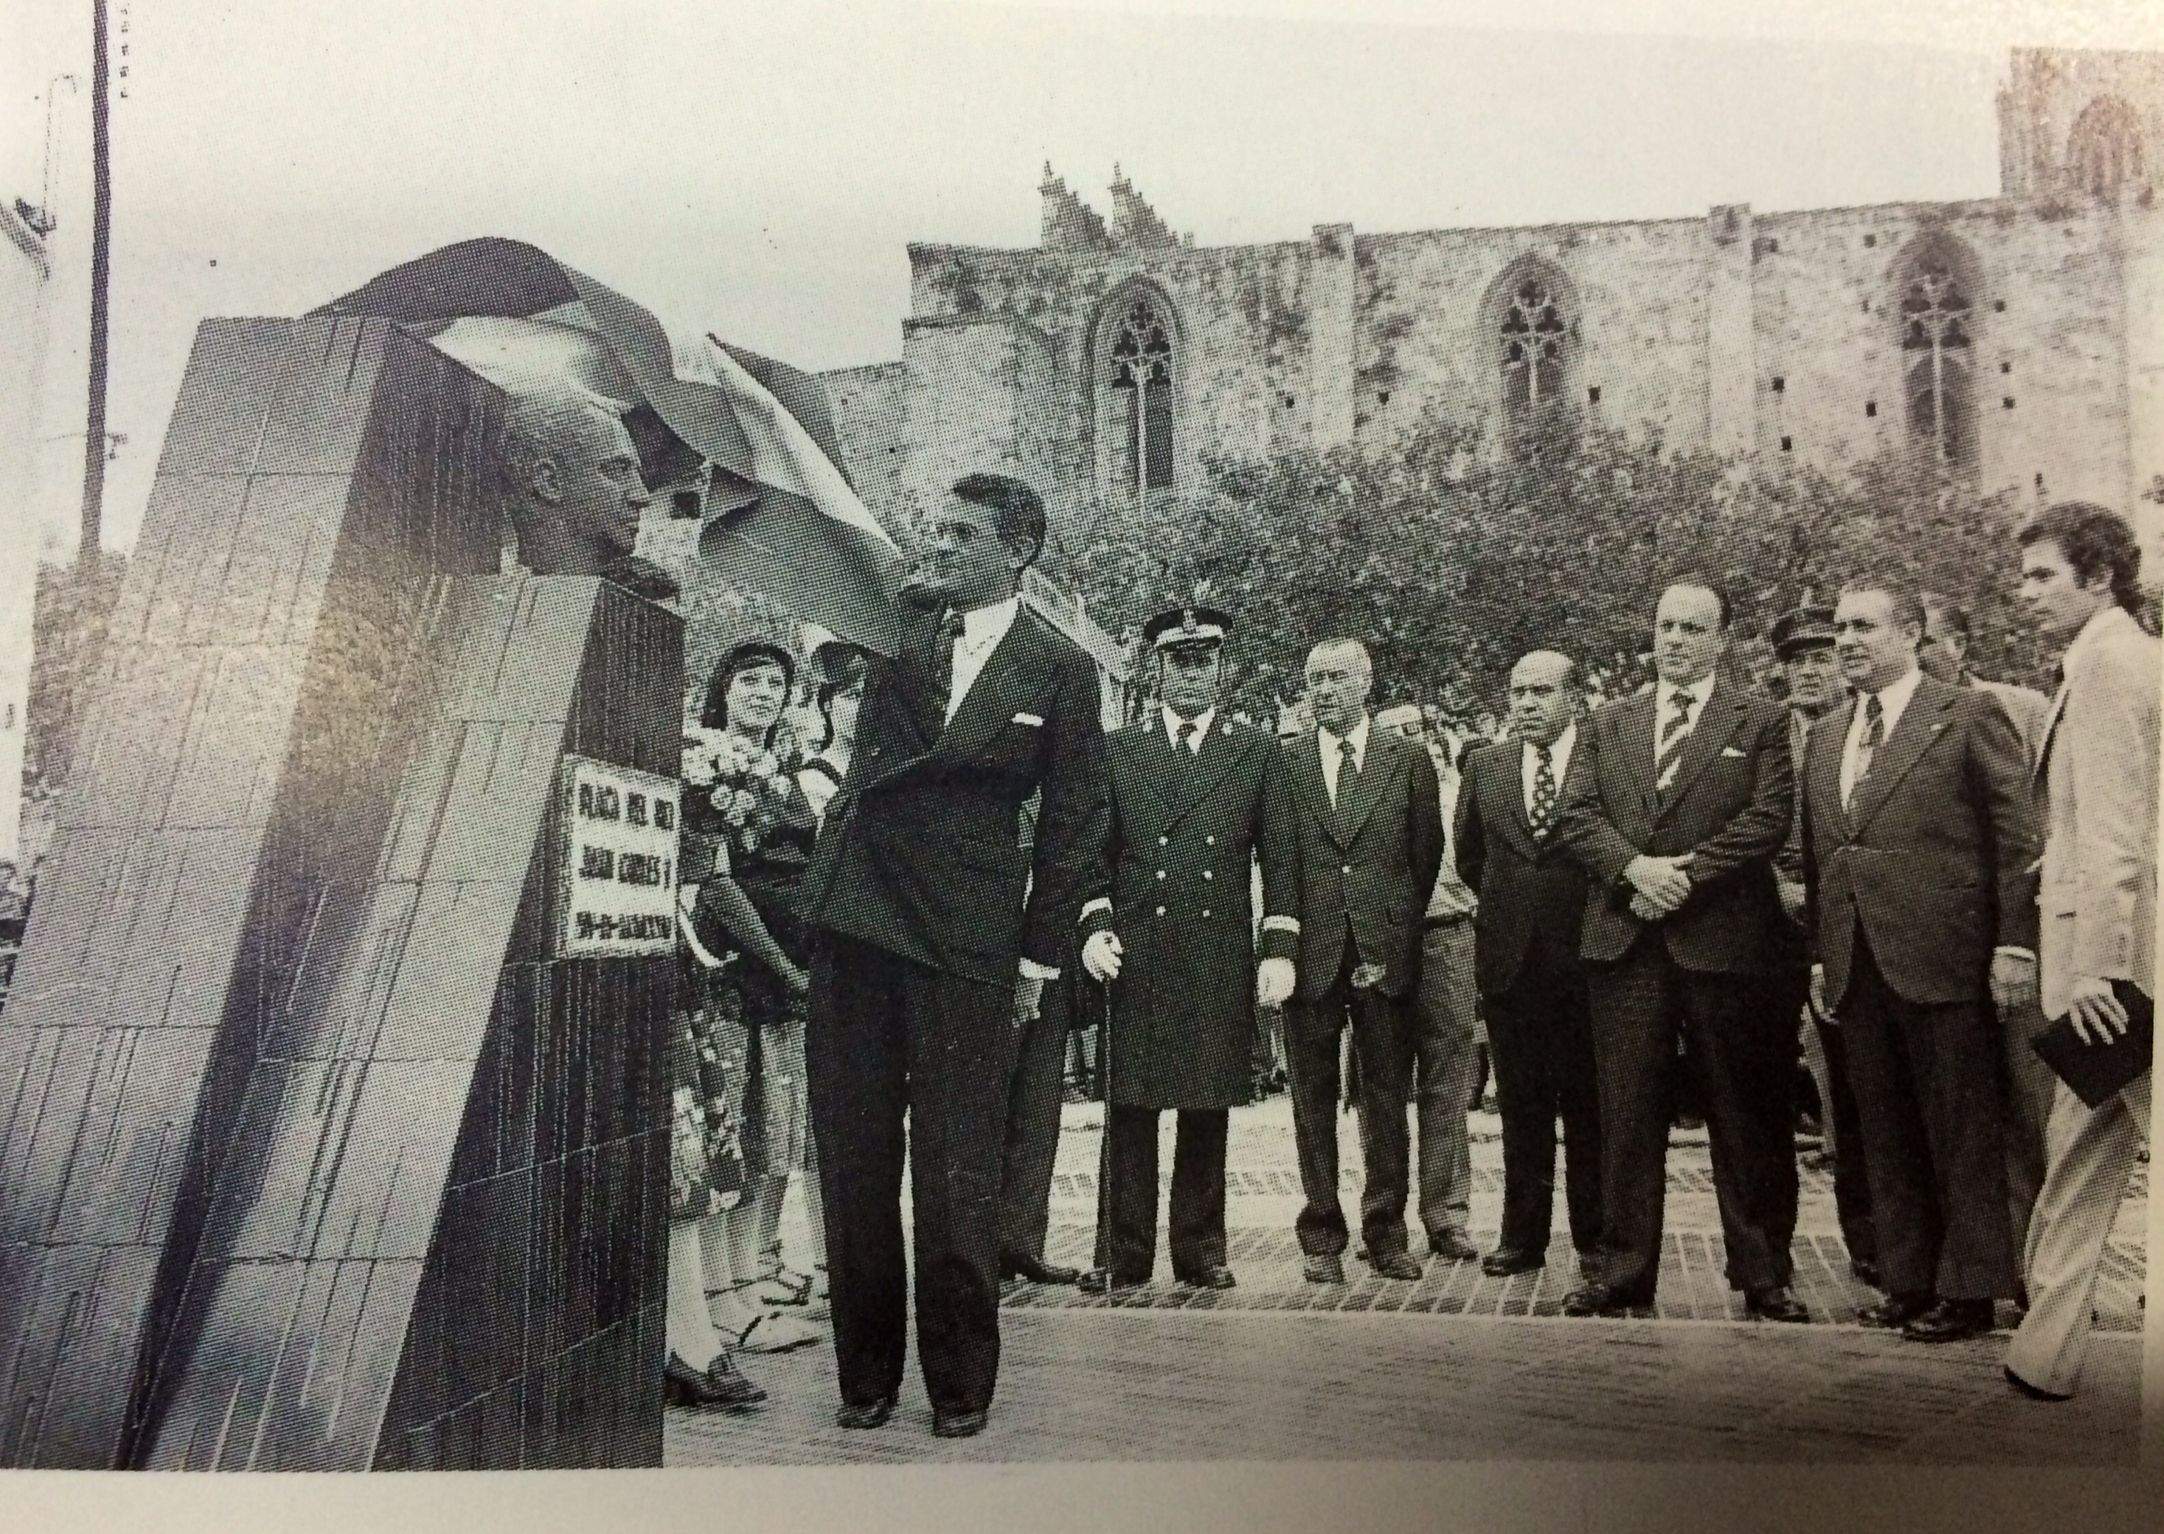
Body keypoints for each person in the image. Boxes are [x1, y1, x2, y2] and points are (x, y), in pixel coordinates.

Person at [802, 472, 1108, 1439]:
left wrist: (1038, 960)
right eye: (935, 526)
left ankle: (961, 1383)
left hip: (969, 942)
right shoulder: (898, 623)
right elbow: (831, 592)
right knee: (854, 1157)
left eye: (961, 532)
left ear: (1014, 550)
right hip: (859, 917)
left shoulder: (1060, 666)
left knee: (955, 1166)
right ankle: (865, 1378)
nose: (939, 543)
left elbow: (1073, 824)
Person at [1553, 577, 1804, 1321]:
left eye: (1693, 628)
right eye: (1666, 625)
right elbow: (1575, 815)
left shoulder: (1760, 720)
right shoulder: (1607, 722)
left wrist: (1684, 875)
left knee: (1745, 1111)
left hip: (1726, 945)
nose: (1675, 640)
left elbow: (1770, 819)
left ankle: (1764, 1272)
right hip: (1626, 944)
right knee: (1624, 1115)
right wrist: (1634, 868)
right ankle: (1623, 1270)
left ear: (1722, 640)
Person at [1801, 581, 2040, 1343]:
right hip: (1857, 962)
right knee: (1883, 1128)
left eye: (1863, 627)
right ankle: (1907, 1281)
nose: (1845, 641)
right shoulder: (1831, 732)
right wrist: (1819, 956)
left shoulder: (1965, 715)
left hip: (1946, 959)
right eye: (1839, 627)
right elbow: (1822, 855)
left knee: (1961, 1129)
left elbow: (2016, 841)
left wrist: (2014, 943)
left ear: (1910, 633)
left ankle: (1969, 1290)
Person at [1076, 603, 1300, 1292]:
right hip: (1138, 949)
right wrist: (1094, 926)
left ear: (1222, 670)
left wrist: (1278, 946)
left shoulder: (1256, 751)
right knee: (1130, 1105)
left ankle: (1201, 1251)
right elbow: (1093, 853)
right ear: (1158, 669)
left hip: (1214, 950)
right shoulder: (1119, 750)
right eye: (1180, 661)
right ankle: (1122, 1253)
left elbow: (1281, 857)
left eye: (1205, 662)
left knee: (1206, 1105)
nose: (1193, 675)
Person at [2004, 503, 2158, 1401]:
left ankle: (2047, 1347)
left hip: (2123, 971)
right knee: (2079, 1145)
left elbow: (2113, 832)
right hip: (2106, 963)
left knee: (2095, 1139)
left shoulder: (2107, 663)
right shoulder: (2110, 657)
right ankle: (2045, 1348)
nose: (2025, 594)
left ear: (2098, 577)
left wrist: (2100, 967)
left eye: (2042, 576)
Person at [1280, 638, 1445, 1284]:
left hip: (1382, 954)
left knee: (1384, 1097)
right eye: (1315, 679)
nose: (1324, 691)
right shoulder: (1286, 763)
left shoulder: (1407, 760)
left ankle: (1385, 1231)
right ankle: (1321, 1232)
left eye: (1337, 679)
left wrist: (1396, 934)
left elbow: (1423, 854)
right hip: (1311, 955)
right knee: (1311, 1098)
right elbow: (1281, 856)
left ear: (1366, 684)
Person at [682, 640, 827, 1357]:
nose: (764, 693)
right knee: (729, 1127)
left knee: (770, 1130)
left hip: (791, 977)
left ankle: (745, 1282)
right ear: (723, 688)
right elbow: (714, 880)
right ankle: (719, 1297)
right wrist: (777, 962)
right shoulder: (703, 762)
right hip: (739, 973)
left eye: (777, 682)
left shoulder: (788, 777)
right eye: (749, 680)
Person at [1452, 651, 1603, 1280]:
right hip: (1511, 962)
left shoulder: (1602, 761)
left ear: (1572, 698)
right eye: (1517, 692)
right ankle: (1522, 1236)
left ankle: (1595, 1235)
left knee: (1590, 1105)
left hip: (1588, 959)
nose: (1526, 704)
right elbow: (1469, 857)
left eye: (1541, 692)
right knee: (1521, 1105)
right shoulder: (1485, 766)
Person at [1920, 592, 2058, 1263]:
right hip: (1939, 953)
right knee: (1961, 1118)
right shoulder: (1887, 721)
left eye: (1928, 639)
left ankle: (2040, 1269)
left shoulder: (2015, 708)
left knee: (2030, 1109)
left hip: (2018, 944)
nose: (1917, 655)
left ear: (1958, 646)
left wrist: (2019, 940)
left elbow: (2032, 832)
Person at [1770, 604, 1878, 1285]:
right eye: (1797, 660)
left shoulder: (1866, 732)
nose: (1810, 672)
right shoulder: (1760, 731)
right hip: (1765, 926)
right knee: (1762, 1092)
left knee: (1859, 1091)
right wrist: (1772, 883)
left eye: (1822, 657)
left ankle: (1869, 1242)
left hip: (1846, 927)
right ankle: (1765, 1255)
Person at [1374, 699, 1483, 1264]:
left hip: (1446, 935)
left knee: (1447, 1077)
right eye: (1397, 733)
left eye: (1418, 730)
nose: (1412, 742)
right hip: (1385, 945)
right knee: (1381, 1084)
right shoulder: (1366, 795)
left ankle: (1446, 1214)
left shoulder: (1459, 792)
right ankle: (1382, 1219)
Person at [997, 792, 1084, 1290]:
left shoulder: (1058, 790)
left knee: (1038, 1107)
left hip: (1049, 962)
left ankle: (1023, 1243)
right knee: (989, 1109)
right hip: (990, 965)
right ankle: (978, 1249)